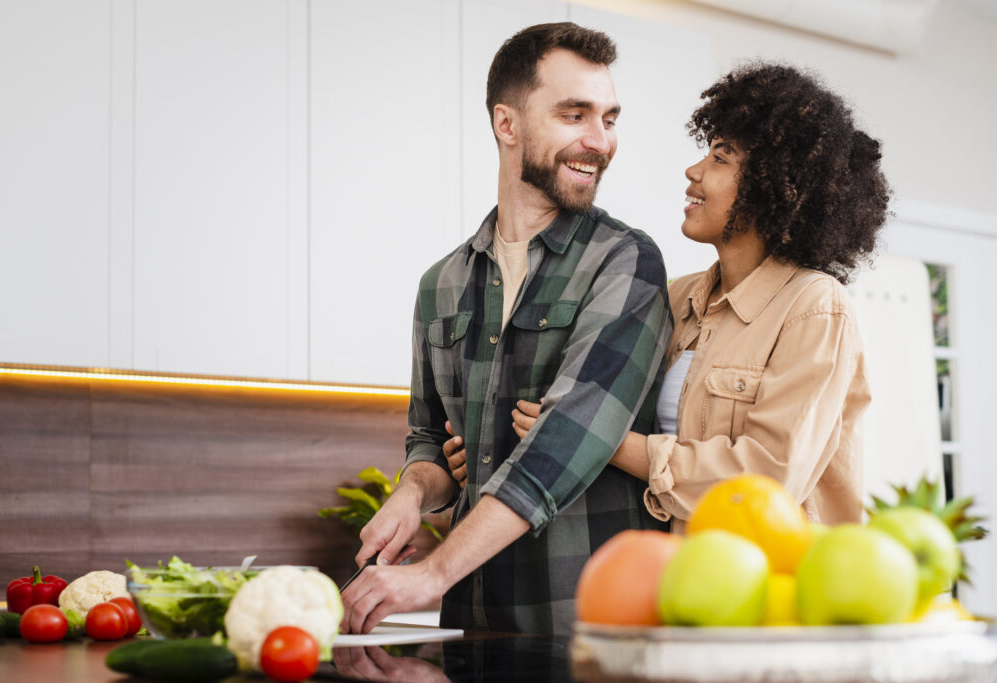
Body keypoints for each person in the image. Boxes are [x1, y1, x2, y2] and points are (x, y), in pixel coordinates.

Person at [449, 61, 889, 531]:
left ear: (775, 187)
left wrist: (594, 439)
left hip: (772, 592)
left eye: (720, 158)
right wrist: (493, 452)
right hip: (674, 581)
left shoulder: (815, 308)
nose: (694, 170)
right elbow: (604, 418)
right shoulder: (678, 297)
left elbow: (767, 485)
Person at [339, 22, 674, 636]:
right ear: (507, 124)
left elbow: (565, 444)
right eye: (575, 115)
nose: (599, 141)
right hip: (473, 627)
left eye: (610, 118)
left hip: (590, 631)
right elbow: (428, 441)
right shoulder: (439, 284)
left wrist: (434, 571)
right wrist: (412, 494)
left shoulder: (626, 261)